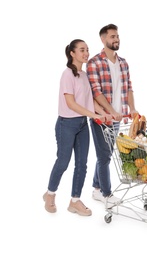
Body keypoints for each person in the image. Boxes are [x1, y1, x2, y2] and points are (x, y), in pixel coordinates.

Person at [43, 39, 106, 216]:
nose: (86, 53)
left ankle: (75, 201)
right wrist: (93, 115)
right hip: (67, 124)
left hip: (82, 125)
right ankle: (50, 194)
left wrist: (103, 113)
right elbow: (70, 103)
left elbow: (90, 101)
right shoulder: (67, 75)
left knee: (82, 164)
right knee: (63, 162)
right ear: (72, 53)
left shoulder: (84, 75)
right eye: (81, 50)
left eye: (87, 50)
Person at [86, 24, 138, 208]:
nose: (116, 39)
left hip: (118, 119)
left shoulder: (123, 62)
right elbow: (96, 92)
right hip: (102, 118)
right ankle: (106, 194)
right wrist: (111, 112)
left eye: (117, 36)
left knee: (106, 154)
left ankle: (97, 188)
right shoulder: (94, 63)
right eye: (112, 37)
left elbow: (128, 88)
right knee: (104, 156)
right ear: (103, 39)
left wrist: (132, 108)